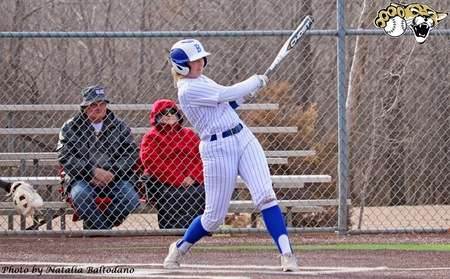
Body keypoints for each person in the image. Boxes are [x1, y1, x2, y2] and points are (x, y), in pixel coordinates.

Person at [163, 39, 299, 272]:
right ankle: (180, 248)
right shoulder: (188, 89)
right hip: (217, 150)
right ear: (182, 66)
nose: (200, 63)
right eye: (194, 61)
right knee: (213, 218)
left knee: (266, 196)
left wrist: (248, 92)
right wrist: (254, 81)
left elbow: (228, 103)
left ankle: (287, 255)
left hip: (243, 138)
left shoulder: (201, 80)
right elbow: (226, 93)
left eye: (201, 59)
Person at [56, 85, 140, 230]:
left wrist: (112, 172)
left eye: (102, 104)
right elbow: (65, 156)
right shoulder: (71, 127)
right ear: (84, 107)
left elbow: (130, 153)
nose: (98, 108)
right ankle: (103, 230)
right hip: (82, 178)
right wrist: (92, 172)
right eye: (93, 104)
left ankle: (99, 227)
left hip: (115, 178)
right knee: (81, 196)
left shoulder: (119, 126)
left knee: (131, 198)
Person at [139, 98, 205, 229]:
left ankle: (197, 229)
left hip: (192, 180)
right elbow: (152, 162)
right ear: (156, 116)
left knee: (199, 192)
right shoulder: (151, 137)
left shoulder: (189, 134)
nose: (169, 115)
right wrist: (178, 179)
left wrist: (193, 177)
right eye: (164, 112)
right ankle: (172, 230)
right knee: (171, 194)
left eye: (172, 111)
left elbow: (201, 158)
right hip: (165, 182)